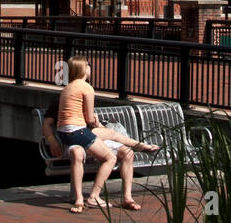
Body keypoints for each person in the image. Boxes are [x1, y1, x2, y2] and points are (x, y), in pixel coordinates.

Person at [56, 57, 156, 212]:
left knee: (111, 134)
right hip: (78, 131)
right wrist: (95, 122)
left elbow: (75, 113)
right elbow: (89, 118)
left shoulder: (68, 87)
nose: (90, 68)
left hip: (65, 132)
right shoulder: (86, 87)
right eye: (88, 65)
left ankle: (140, 146)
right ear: (83, 69)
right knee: (110, 157)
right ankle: (94, 196)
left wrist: (94, 124)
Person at [41, 94, 148, 212]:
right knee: (78, 153)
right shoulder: (60, 102)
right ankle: (79, 199)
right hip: (73, 140)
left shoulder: (86, 100)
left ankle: (127, 198)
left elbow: (95, 125)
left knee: (127, 153)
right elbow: (47, 124)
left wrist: (96, 123)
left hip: (93, 138)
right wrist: (51, 140)